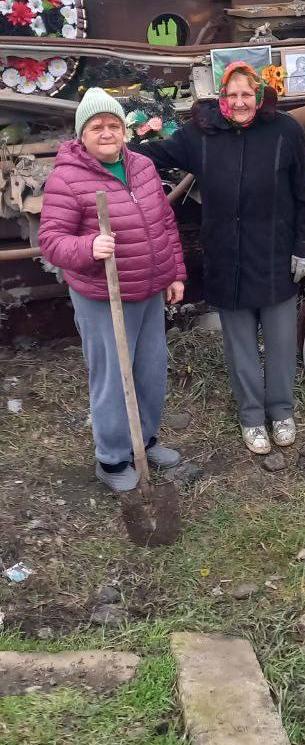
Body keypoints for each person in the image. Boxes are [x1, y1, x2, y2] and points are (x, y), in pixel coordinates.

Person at [133, 61, 305, 455]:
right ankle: (252, 417)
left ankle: (282, 410)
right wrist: (113, 144)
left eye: (246, 94)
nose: (239, 102)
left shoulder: (285, 131)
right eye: (231, 95)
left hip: (274, 254)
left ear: (259, 95)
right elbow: (155, 154)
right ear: (221, 98)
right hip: (227, 256)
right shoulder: (201, 135)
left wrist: (304, 248)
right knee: (240, 345)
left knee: (282, 341)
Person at [38, 88, 186, 493]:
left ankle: (146, 440)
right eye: (97, 126)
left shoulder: (141, 167)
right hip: (103, 295)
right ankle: (113, 457)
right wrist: (88, 247)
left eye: (114, 125)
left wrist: (175, 273)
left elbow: (164, 224)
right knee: (111, 376)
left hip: (148, 288)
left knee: (150, 371)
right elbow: (51, 241)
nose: (107, 132)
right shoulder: (67, 178)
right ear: (82, 134)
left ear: (125, 130)